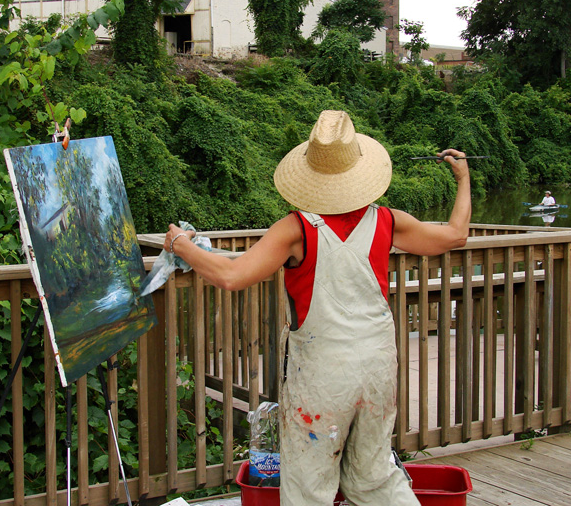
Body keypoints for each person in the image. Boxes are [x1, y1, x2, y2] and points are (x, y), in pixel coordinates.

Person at [163, 110, 471, 506]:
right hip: (378, 368)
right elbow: (455, 235)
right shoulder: (387, 221)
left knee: (309, 487)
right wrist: (462, 179)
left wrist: (181, 245)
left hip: (324, 376)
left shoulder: (297, 229)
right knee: (374, 477)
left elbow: (232, 275)